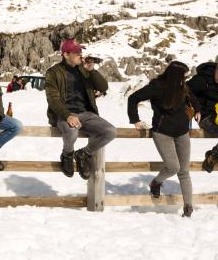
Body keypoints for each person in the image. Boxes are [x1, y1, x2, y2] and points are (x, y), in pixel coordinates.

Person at [128, 61, 200, 217]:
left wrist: (198, 109)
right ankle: (156, 182)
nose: (185, 79)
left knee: (184, 171)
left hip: (182, 132)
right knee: (173, 167)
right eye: (183, 76)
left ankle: (188, 207)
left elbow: (191, 96)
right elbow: (133, 98)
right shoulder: (157, 87)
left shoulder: (182, 86)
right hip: (163, 133)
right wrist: (135, 120)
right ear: (175, 76)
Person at [45, 39, 116, 180]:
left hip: (86, 113)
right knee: (72, 132)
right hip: (64, 114)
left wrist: (92, 71)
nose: (80, 54)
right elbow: (53, 99)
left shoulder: (84, 70)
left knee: (110, 132)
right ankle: (67, 154)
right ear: (66, 54)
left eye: (81, 51)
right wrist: (67, 115)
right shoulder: (53, 72)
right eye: (77, 52)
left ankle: (83, 154)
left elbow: (103, 87)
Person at [187, 60, 218, 172]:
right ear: (216, 68)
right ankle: (213, 156)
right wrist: (195, 108)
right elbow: (184, 91)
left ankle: (213, 154)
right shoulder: (202, 80)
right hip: (205, 117)